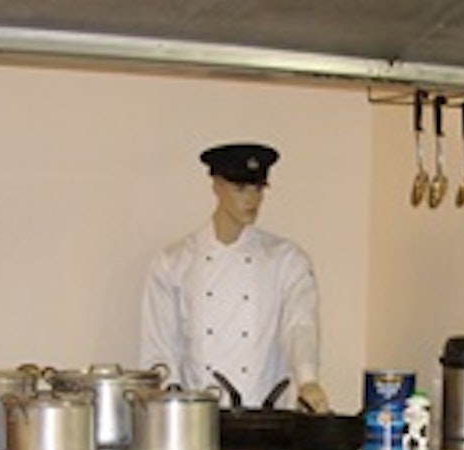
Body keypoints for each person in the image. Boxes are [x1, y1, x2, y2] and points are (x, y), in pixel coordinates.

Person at [141, 141, 330, 412]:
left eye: (258, 188)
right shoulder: (173, 262)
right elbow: (160, 351)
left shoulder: (286, 259)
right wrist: (172, 411)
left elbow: (300, 324)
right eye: (240, 189)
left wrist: (308, 379)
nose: (252, 199)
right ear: (216, 186)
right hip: (197, 423)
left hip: (268, 422)